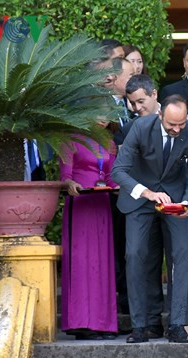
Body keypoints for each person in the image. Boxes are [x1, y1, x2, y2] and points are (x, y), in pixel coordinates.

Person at [111, 95, 188, 344]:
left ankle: (177, 324)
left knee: (183, 253)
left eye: (181, 124)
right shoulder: (140, 127)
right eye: (172, 124)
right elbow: (118, 171)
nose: (176, 130)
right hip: (140, 198)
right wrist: (148, 193)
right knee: (136, 254)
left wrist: (187, 202)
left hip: (175, 200)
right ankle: (141, 325)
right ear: (160, 115)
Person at [60, 123, 119, 340]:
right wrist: (69, 184)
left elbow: (111, 175)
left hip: (101, 203)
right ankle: (81, 323)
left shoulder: (109, 142)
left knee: (101, 263)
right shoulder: (70, 138)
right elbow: (64, 175)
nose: (102, 120)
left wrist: (118, 187)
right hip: (81, 203)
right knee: (82, 262)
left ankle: (104, 323)